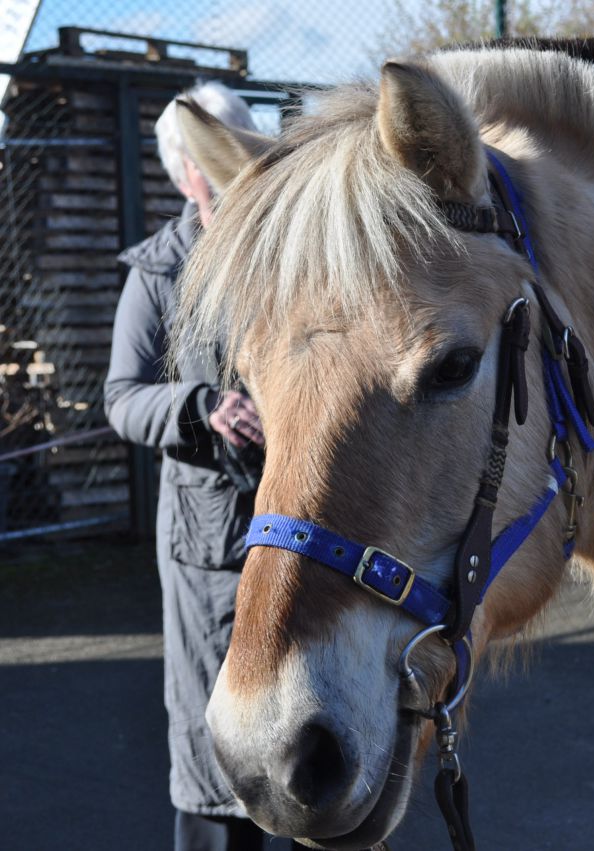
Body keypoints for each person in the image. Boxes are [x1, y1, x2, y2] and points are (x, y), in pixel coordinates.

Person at [104, 80, 268, 851]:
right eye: (219, 153)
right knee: (217, 749)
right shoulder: (160, 271)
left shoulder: (283, 249)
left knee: (308, 731)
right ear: (186, 172)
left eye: (245, 145)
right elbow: (122, 398)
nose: (239, 166)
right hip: (209, 546)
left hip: (302, 524)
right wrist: (201, 406)